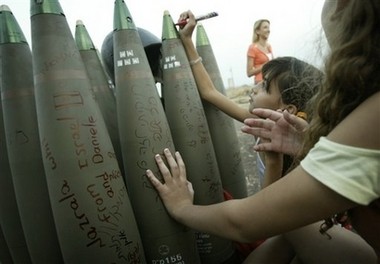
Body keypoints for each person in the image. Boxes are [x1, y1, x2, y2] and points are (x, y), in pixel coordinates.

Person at [147, 1, 380, 263]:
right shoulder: (286, 129)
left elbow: (248, 222)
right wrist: (188, 42)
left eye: (265, 86)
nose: (253, 89)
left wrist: (181, 209)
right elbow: (210, 93)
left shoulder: (371, 118)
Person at [246, 19, 273, 84]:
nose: (268, 30)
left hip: (271, 80)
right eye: (265, 27)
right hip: (261, 83)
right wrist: (265, 65)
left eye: (268, 27)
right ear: (257, 31)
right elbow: (249, 73)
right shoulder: (252, 48)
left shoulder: (269, 46)